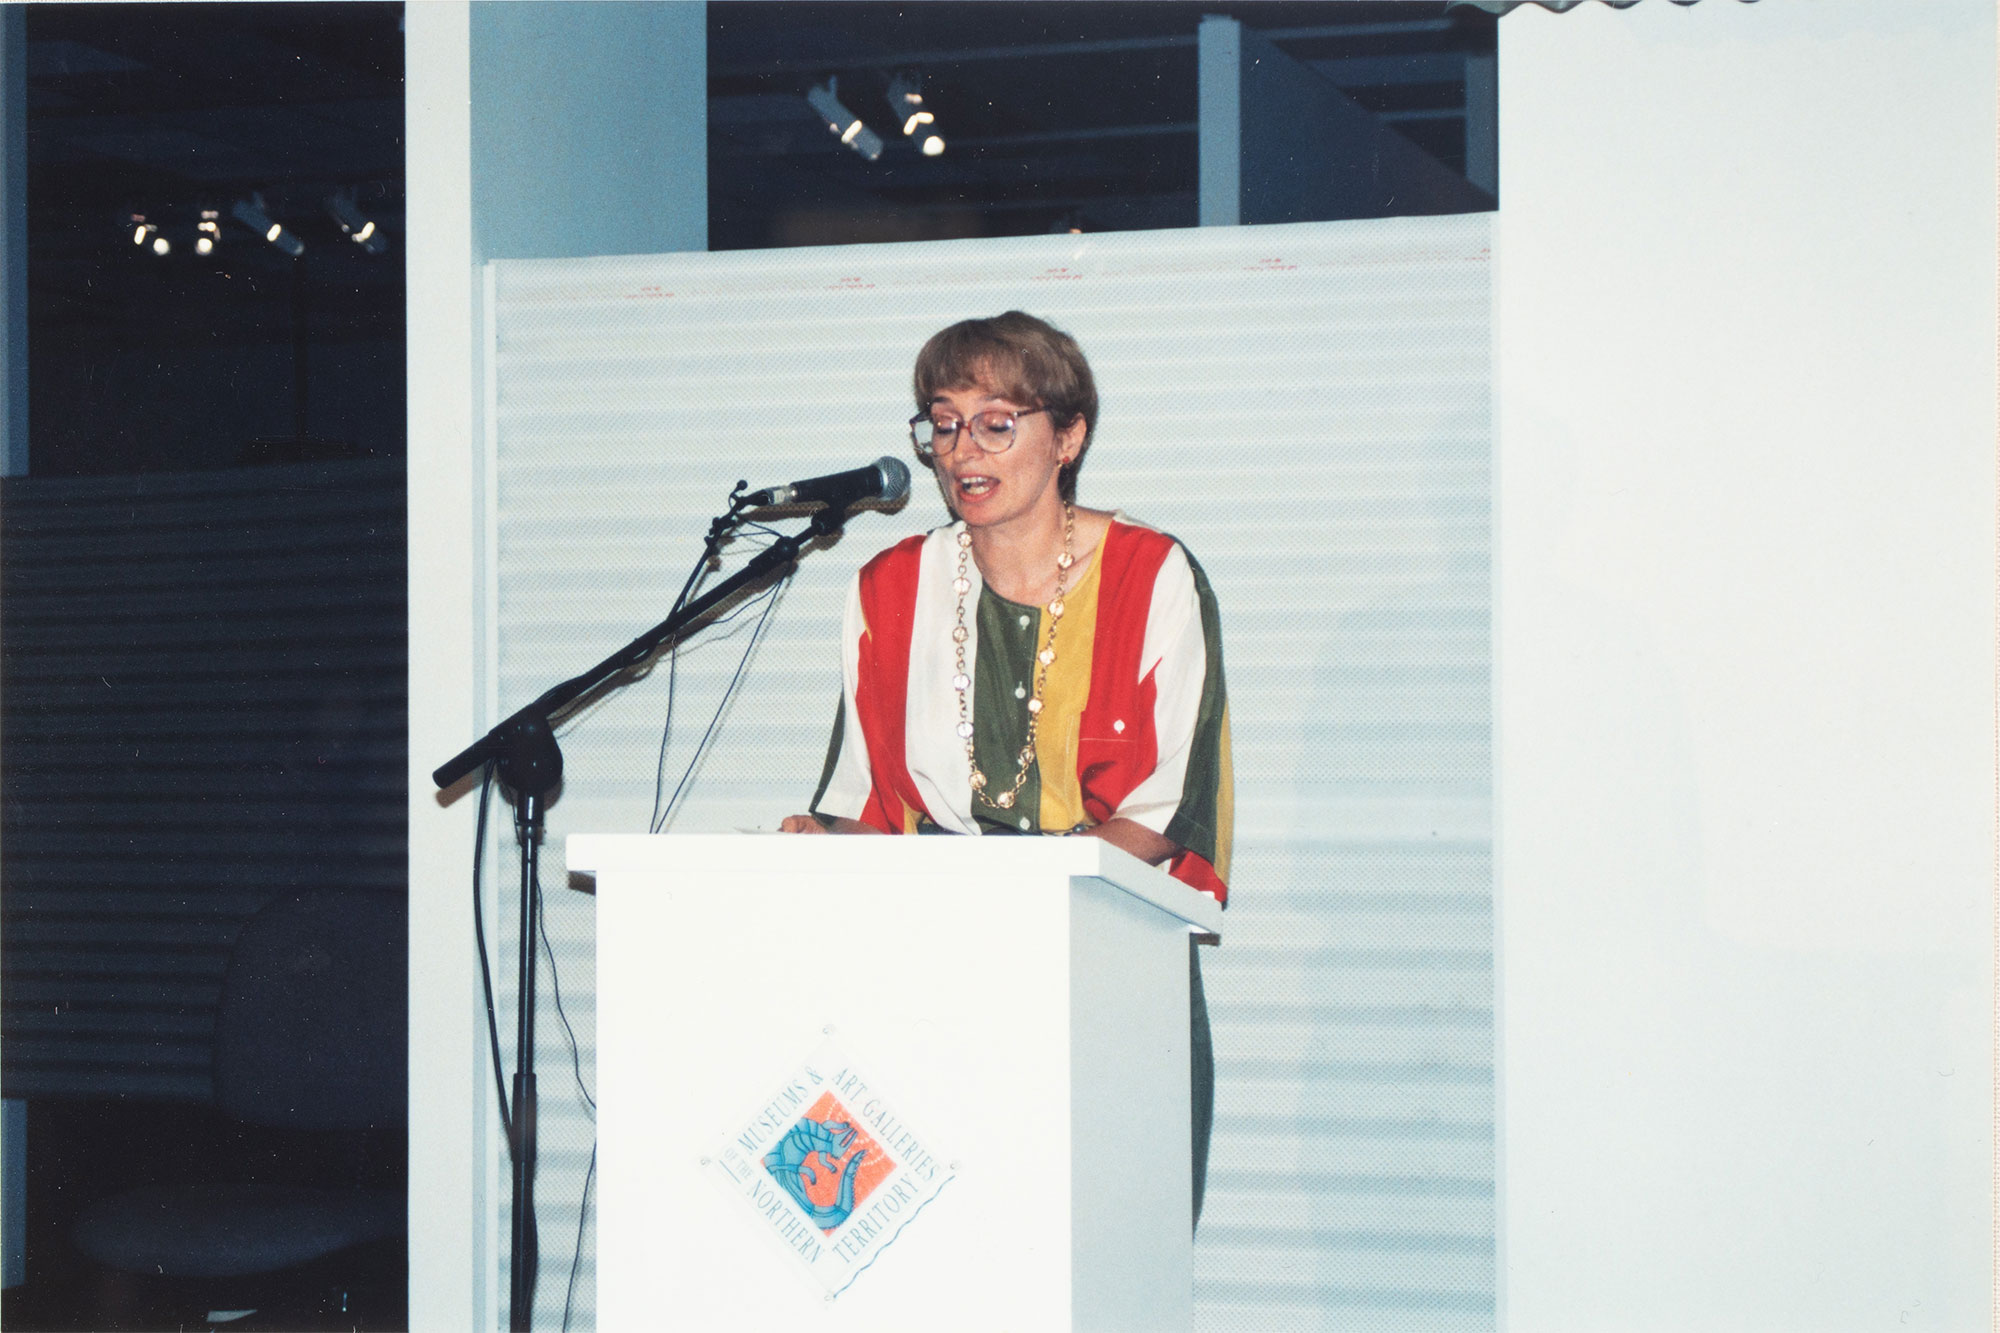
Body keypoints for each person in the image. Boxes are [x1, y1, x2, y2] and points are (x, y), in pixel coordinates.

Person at [780, 310, 1231, 1226]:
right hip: (938, 970)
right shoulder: (891, 586)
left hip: (1108, 960)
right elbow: (868, 796)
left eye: (996, 420)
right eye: (942, 422)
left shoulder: (1153, 574)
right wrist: (812, 838)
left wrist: (1021, 902)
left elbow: (1165, 807)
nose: (959, 450)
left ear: (1069, 437)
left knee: (1105, 1257)